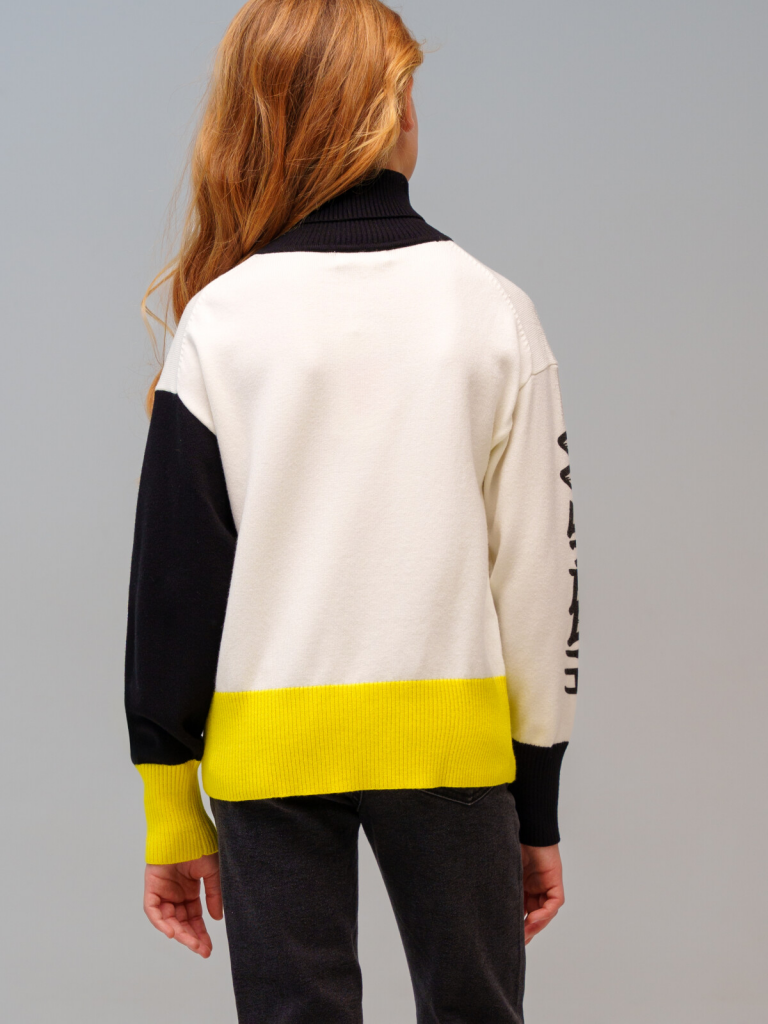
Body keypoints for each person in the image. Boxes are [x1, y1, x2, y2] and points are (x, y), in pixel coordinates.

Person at [124, 1, 580, 1021]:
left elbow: (173, 587)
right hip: (453, 750)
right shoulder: (493, 312)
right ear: (399, 110)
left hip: (267, 751)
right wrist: (536, 802)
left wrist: (170, 809)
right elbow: (540, 581)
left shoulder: (221, 323)